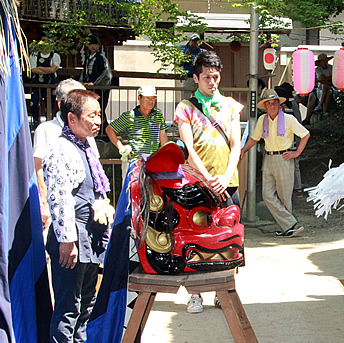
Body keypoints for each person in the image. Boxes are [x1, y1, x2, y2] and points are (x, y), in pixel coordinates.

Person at [43, 89, 112, 343]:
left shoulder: (86, 145)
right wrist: (66, 241)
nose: (98, 121)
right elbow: (59, 198)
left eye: (99, 114)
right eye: (91, 115)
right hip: (71, 238)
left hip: (90, 236)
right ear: (72, 118)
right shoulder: (60, 149)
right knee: (68, 307)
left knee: (86, 303)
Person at [174, 50, 244, 313]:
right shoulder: (186, 108)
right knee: (195, 236)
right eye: (206, 77)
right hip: (196, 182)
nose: (212, 82)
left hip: (228, 181)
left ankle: (223, 289)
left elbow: (236, 145)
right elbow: (188, 150)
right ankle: (195, 293)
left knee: (227, 237)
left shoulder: (231, 106)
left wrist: (225, 177)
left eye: (215, 76)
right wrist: (207, 178)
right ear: (196, 78)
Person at [240, 89, 310, 237]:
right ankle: (289, 224)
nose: (272, 106)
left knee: (285, 196)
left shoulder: (288, 119)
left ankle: (286, 228)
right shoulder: (262, 120)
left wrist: (296, 153)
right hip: (269, 158)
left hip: (284, 157)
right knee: (267, 195)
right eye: (268, 103)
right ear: (265, 106)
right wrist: (243, 150)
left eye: (274, 102)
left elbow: (305, 134)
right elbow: (254, 138)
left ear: (279, 104)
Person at [33, 79, 100, 229]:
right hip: (61, 209)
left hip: (90, 213)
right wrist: (44, 203)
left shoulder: (87, 131)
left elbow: (95, 168)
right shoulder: (46, 130)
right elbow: (38, 169)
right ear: (61, 103)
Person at [105, 85, 169, 178]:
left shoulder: (158, 115)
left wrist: (167, 154)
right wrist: (120, 147)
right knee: (132, 190)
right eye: (147, 98)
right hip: (134, 162)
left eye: (153, 98)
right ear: (139, 98)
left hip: (153, 161)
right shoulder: (129, 116)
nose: (151, 101)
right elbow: (109, 129)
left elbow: (162, 135)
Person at [79, 33, 112, 131]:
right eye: (91, 44)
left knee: (99, 109)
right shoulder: (88, 58)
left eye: (95, 44)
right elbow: (84, 73)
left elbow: (107, 75)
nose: (93, 46)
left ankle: (104, 131)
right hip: (90, 89)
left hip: (100, 89)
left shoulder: (101, 58)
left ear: (98, 45)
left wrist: (95, 84)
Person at [29, 30, 60, 128]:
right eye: (43, 40)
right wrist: (47, 70)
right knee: (34, 103)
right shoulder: (34, 55)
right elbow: (33, 69)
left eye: (47, 41)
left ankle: (49, 123)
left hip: (50, 84)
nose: (45, 43)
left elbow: (53, 69)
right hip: (36, 83)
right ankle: (36, 122)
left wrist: (41, 68)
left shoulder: (55, 56)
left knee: (49, 104)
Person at [302, 54, 334, 125]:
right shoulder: (318, 69)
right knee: (326, 92)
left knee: (327, 89)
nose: (324, 62)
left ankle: (320, 105)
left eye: (325, 60)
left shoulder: (332, 68)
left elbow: (328, 79)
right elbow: (324, 79)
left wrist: (321, 81)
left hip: (331, 87)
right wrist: (326, 80)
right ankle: (322, 112)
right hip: (321, 89)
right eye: (323, 61)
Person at [180, 34, 204, 101]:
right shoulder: (185, 50)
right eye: (193, 41)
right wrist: (185, 56)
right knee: (185, 97)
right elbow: (179, 64)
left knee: (197, 97)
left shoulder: (200, 52)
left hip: (198, 77)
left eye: (197, 41)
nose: (195, 43)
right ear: (190, 41)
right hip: (188, 77)